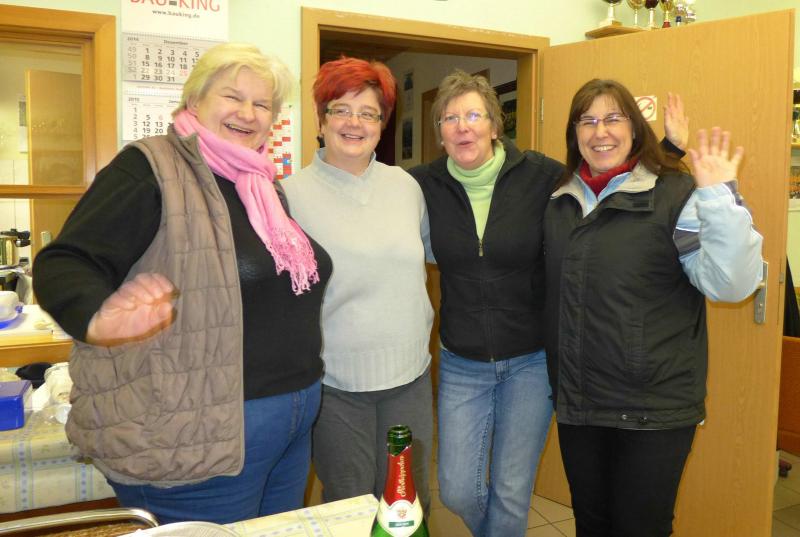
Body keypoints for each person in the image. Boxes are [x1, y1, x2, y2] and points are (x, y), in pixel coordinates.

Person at [32, 43, 332, 525]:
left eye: (262, 104)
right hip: (195, 435)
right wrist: (98, 317)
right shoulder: (150, 167)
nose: (248, 113)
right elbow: (66, 262)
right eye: (232, 96)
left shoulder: (260, 185)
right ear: (194, 100)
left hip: (288, 422)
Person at [407, 70, 688, 537]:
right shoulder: (421, 185)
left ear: (495, 125)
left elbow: (611, 187)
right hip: (462, 360)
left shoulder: (541, 176)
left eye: (474, 115)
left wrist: (669, 152)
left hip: (531, 361)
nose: (462, 127)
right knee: (457, 490)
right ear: (439, 133)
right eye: (450, 118)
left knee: (511, 493)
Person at [543, 78, 763, 537]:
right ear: (574, 133)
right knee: (591, 525)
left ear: (634, 128)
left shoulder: (677, 195)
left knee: (640, 528)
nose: (600, 131)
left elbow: (730, 284)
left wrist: (719, 198)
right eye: (587, 121)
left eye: (613, 118)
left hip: (653, 409)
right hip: (581, 405)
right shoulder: (562, 201)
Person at [281, 57, 434, 510]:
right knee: (350, 505)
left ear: (382, 125)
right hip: (335, 384)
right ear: (320, 119)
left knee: (407, 503)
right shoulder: (289, 196)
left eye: (369, 113)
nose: (355, 123)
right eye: (341, 110)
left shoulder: (405, 186)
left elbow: (425, 257)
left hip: (410, 376)